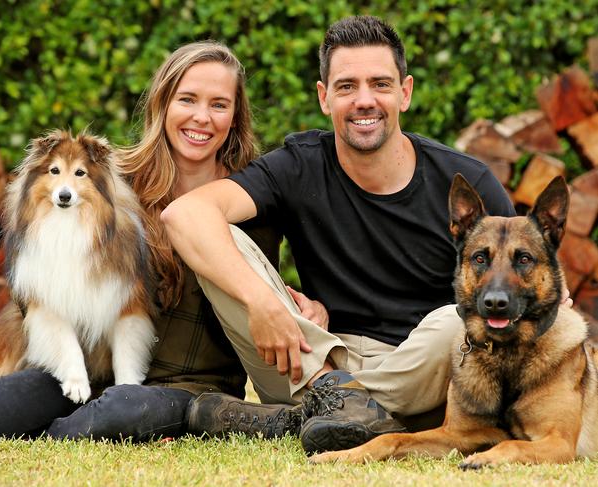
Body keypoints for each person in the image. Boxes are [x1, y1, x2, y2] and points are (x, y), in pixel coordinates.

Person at [161, 16, 516, 454]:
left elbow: (522, 286)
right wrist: (262, 302)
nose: (364, 100)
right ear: (324, 97)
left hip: (421, 367)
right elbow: (185, 214)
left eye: (380, 84)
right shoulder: (299, 164)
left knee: (456, 320)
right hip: (313, 361)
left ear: (404, 92)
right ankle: (342, 404)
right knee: (225, 241)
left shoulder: (466, 182)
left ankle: (312, 418)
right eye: (347, 86)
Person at [0, 41, 279, 443]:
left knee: (120, 413)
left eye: (219, 105)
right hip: (87, 370)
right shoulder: (112, 181)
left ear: (235, 116)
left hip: (184, 388)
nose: (201, 117)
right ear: (162, 104)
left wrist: (302, 301)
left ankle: (51, 433)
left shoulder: (252, 199)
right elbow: (33, 286)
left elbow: (264, 294)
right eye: (187, 99)